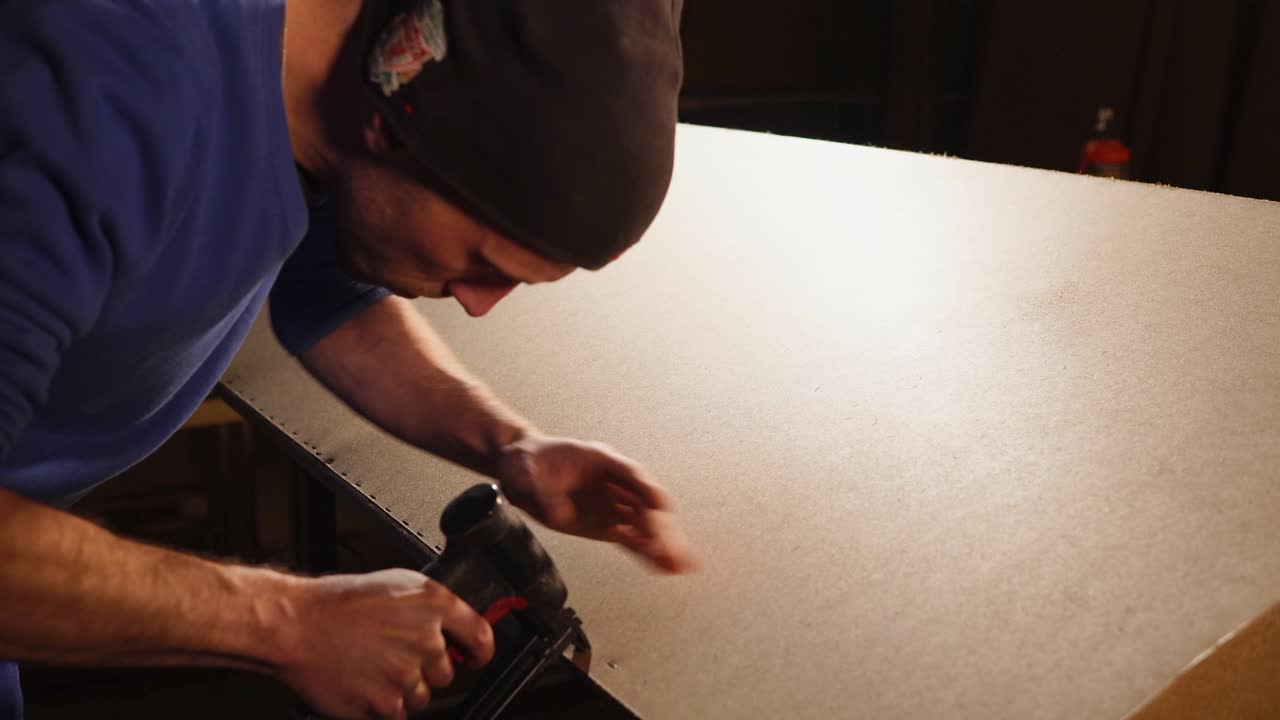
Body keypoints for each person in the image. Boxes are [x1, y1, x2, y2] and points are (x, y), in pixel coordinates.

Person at [0, 0, 696, 717]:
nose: (479, 303)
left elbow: (332, 302)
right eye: (483, 261)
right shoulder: (114, 102)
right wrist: (288, 624)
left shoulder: (317, 92)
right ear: (387, 129)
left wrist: (510, 446)